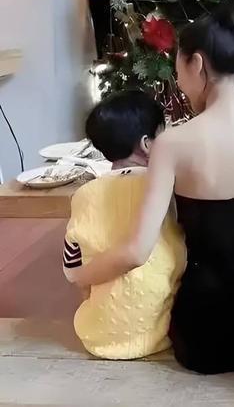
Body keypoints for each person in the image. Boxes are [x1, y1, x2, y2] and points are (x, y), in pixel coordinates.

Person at [69, 2, 234, 374]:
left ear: (197, 64)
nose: (179, 81)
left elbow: (136, 252)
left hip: (201, 334)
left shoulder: (172, 144)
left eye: (178, 67)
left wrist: (78, 276)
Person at [63, 90, 186, 359]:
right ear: (147, 144)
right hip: (162, 331)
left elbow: (72, 263)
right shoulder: (163, 186)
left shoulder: (84, 194)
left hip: (97, 335)